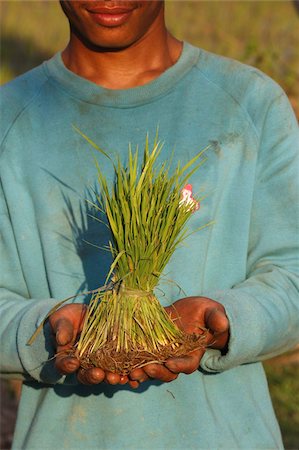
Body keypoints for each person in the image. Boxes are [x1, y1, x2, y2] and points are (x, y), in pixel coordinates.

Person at [0, 1, 298, 448]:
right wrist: (45, 329)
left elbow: (292, 275)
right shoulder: (10, 120)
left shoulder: (250, 103)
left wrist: (226, 320)